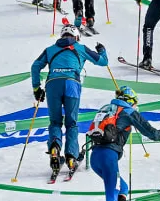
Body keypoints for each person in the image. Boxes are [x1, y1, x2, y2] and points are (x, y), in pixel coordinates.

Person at [87, 87, 160, 201]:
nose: (136, 106)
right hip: (108, 156)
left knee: (122, 187)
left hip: (96, 156)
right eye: (135, 103)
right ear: (131, 101)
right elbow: (149, 131)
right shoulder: (127, 111)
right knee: (112, 194)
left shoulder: (107, 109)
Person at [30, 24, 108, 178]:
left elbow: (35, 66)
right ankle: (71, 157)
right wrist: (102, 51)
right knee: (71, 123)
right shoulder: (81, 48)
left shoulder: (50, 49)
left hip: (53, 84)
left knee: (55, 122)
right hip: (72, 84)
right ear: (77, 36)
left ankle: (55, 147)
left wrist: (36, 88)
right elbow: (103, 62)